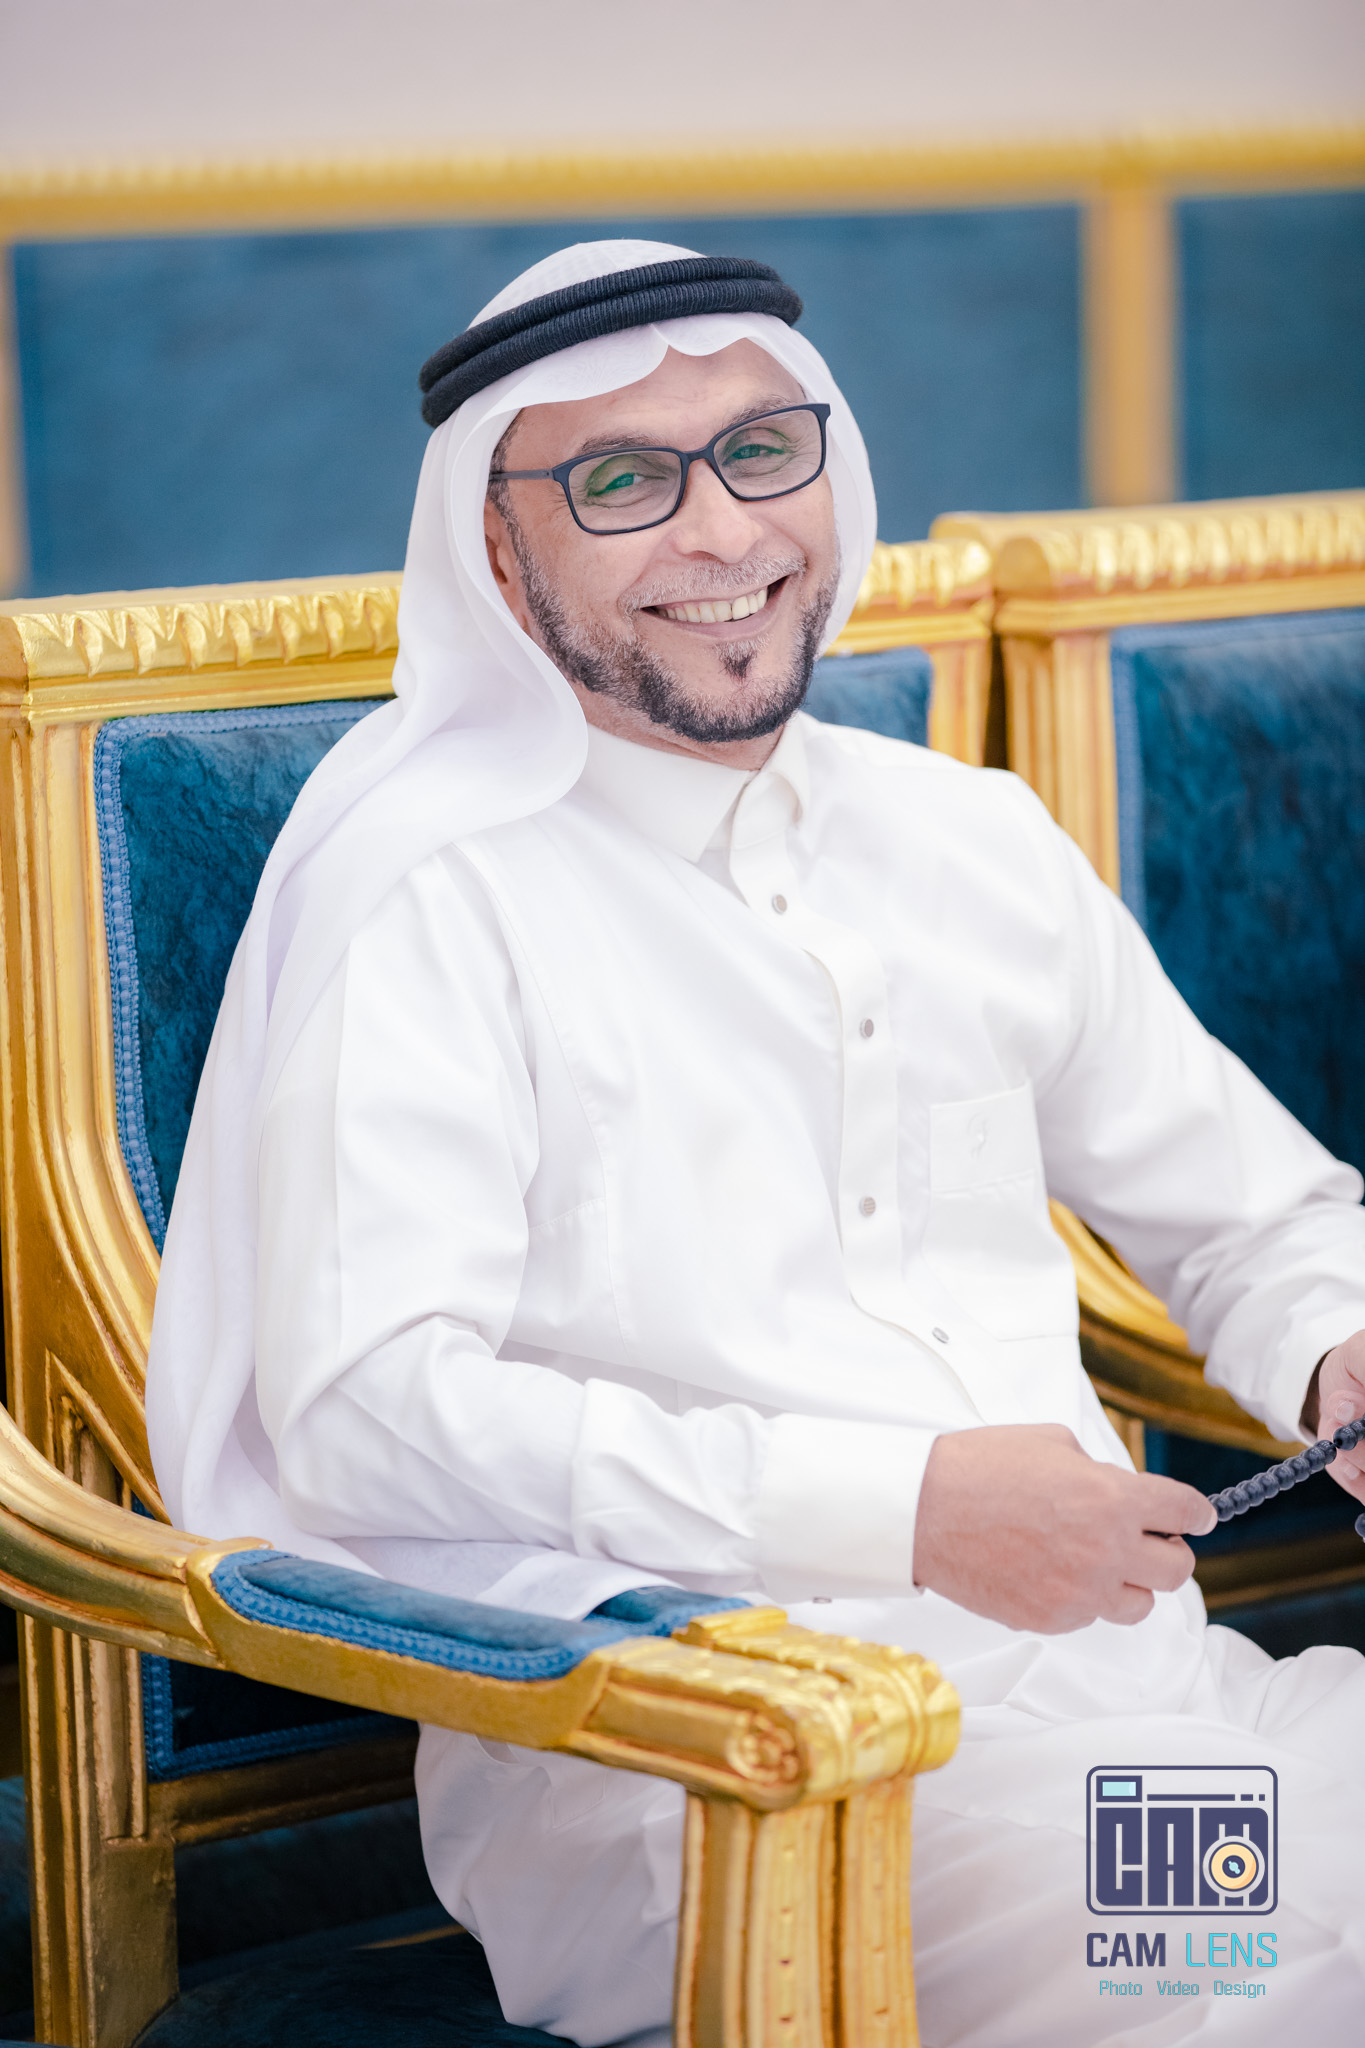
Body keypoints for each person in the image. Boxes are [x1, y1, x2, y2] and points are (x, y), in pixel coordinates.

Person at [147, 241, 1365, 2046]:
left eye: (758, 451)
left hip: (1139, 1714)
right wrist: (901, 1514)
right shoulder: (428, 892)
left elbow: (1249, 1210)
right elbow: (367, 1406)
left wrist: (1334, 1340)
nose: (719, 530)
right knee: (1260, 1978)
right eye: (618, 481)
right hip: (715, 1784)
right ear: (499, 546)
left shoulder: (967, 838)